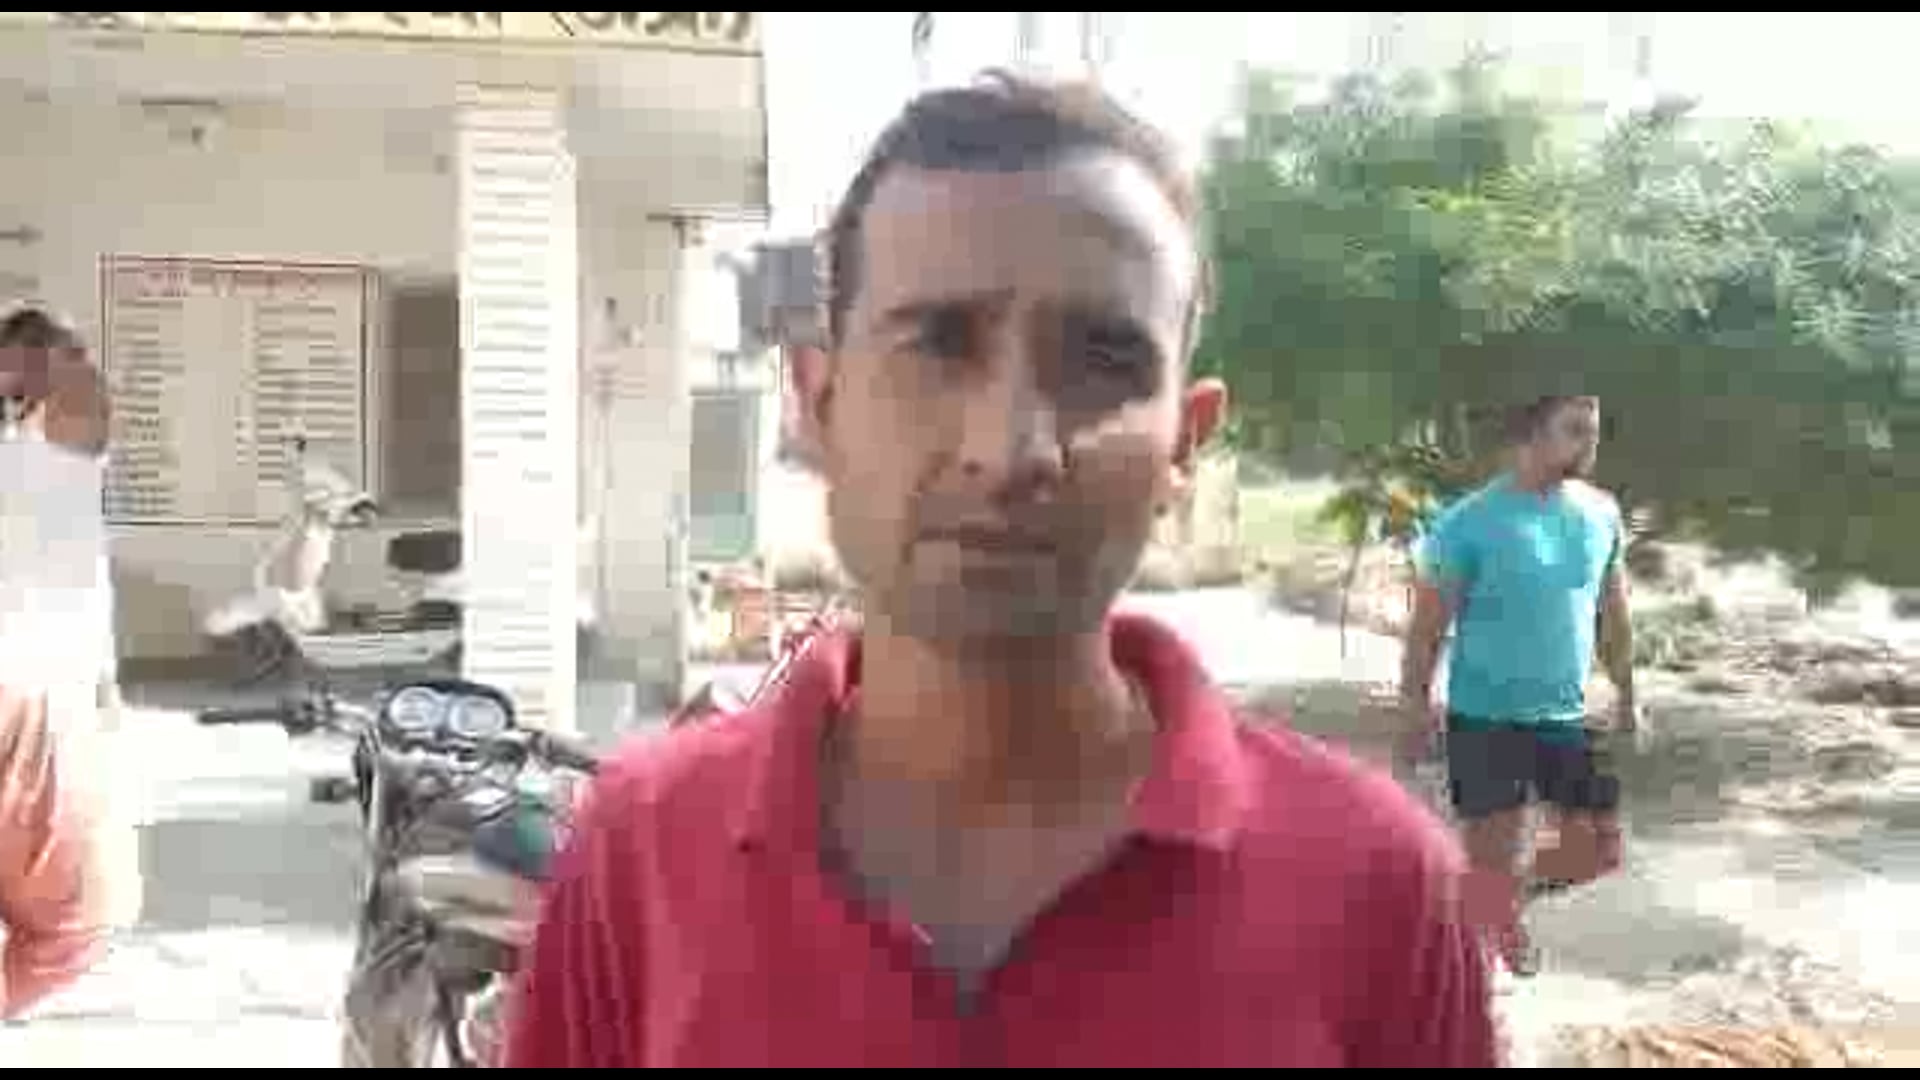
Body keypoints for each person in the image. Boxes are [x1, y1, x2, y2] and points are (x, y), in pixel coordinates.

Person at [505, 72, 1496, 1068]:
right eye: (939, 344)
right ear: (819, 403)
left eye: (1102, 360)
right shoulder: (640, 853)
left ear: (1184, 444)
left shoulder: (1381, 887)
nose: (1010, 448)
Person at [1399, 394, 1638, 976]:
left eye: (1594, 431)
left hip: (1566, 718)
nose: (1589, 443)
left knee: (1599, 848)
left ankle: (1502, 901)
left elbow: (1613, 613)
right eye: (1575, 429)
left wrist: (1629, 693)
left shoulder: (1601, 513)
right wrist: (1414, 705)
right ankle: (1466, 973)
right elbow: (1427, 626)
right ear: (1532, 433)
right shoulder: (1469, 522)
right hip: (1486, 720)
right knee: (1489, 863)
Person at [0, 304, 129, 1019]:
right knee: (73, 928)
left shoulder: (41, 448)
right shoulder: (48, 445)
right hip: (28, 695)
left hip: (41, 690)